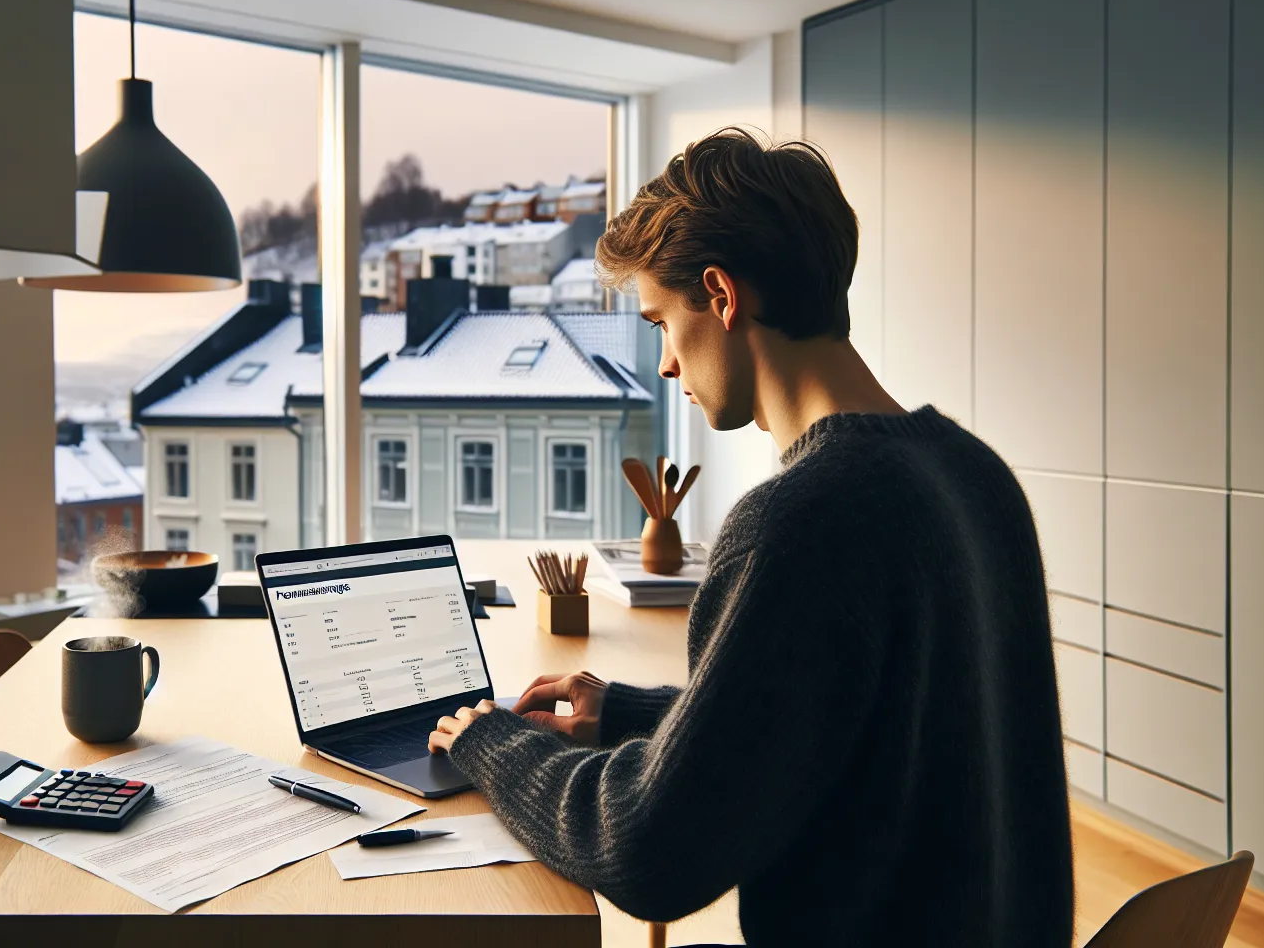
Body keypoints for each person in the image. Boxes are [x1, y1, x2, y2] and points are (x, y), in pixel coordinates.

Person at [428, 128, 1073, 946]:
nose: (665, 364)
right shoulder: (976, 475)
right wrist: (629, 713)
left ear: (723, 296)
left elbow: (650, 853)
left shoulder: (799, 523)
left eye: (662, 322)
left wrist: (494, 744)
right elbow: (841, 728)